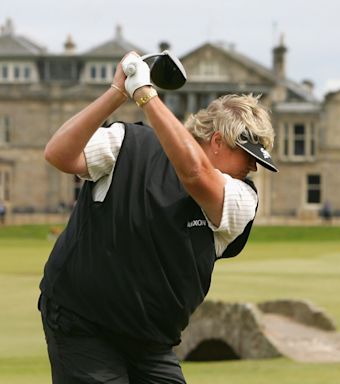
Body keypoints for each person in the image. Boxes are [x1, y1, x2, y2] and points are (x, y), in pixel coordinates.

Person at [38, 51, 278, 384]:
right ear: (219, 142)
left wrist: (146, 95)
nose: (253, 168)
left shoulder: (241, 198)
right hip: (83, 322)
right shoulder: (128, 144)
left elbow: (194, 173)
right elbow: (59, 154)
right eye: (248, 156)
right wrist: (117, 92)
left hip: (151, 341)